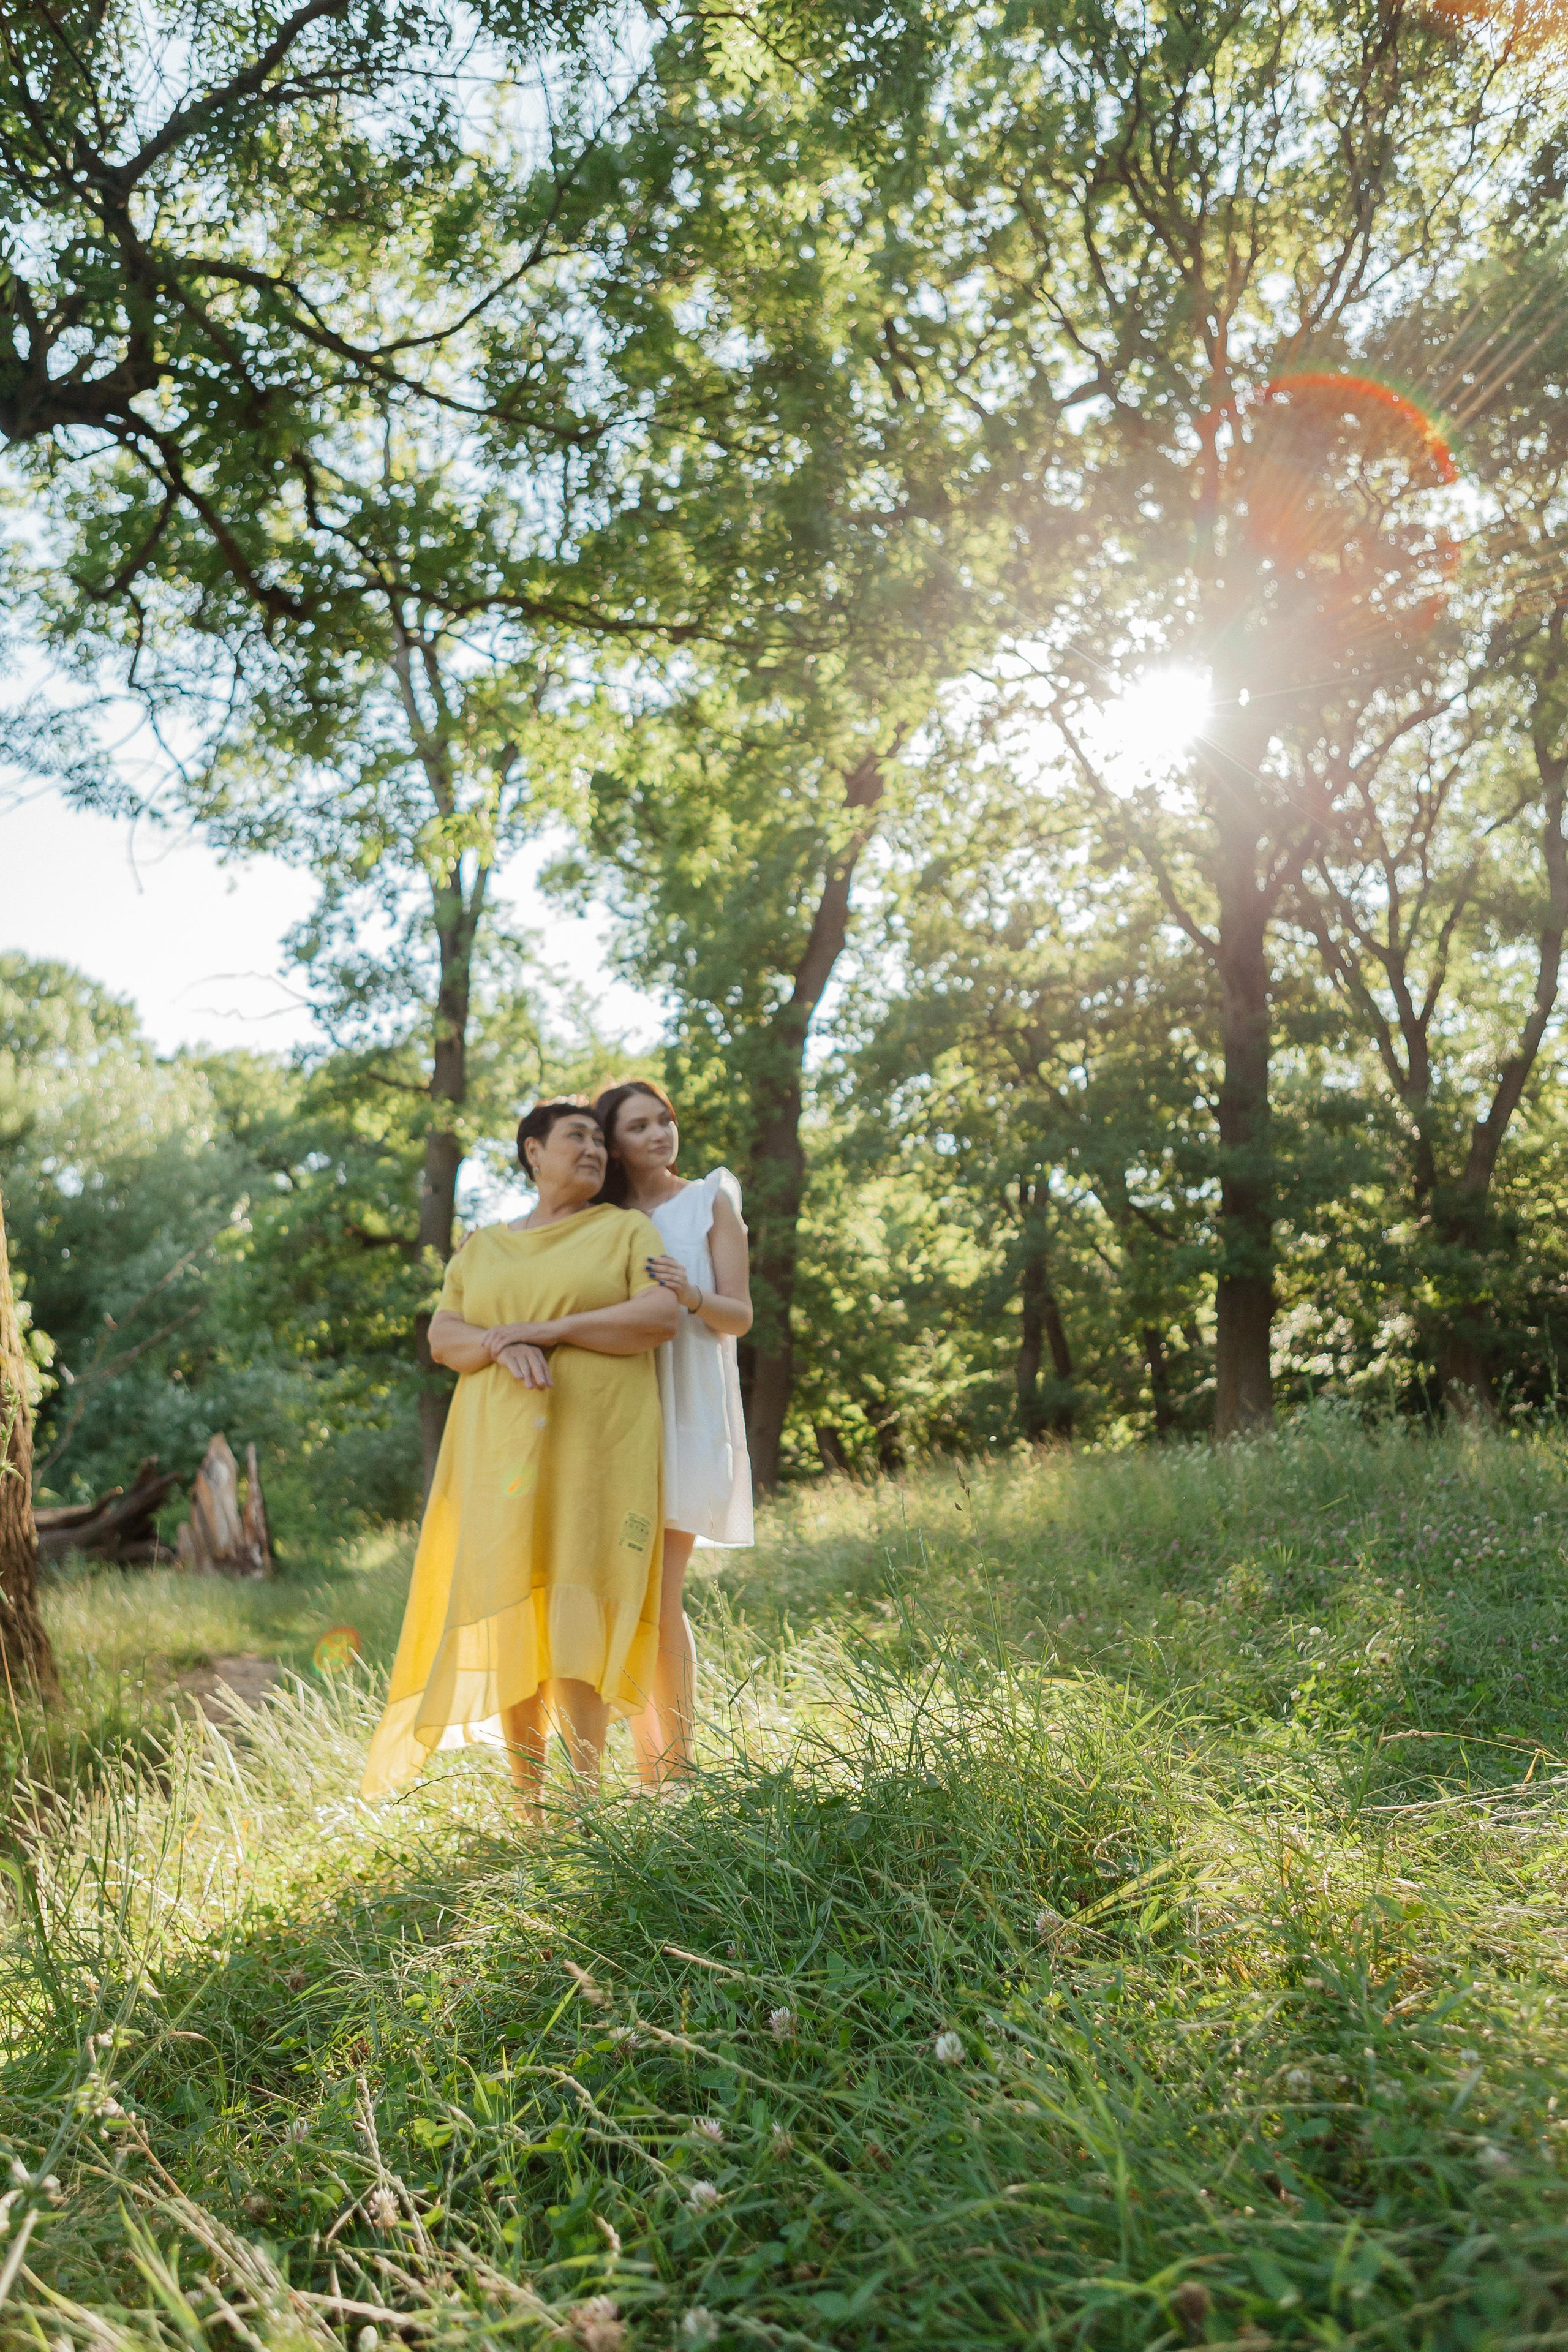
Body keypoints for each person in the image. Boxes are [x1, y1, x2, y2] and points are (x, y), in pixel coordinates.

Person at [361, 1101, 677, 1817]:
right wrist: (504, 1342)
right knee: (511, 1611)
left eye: (601, 1139)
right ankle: (532, 1807)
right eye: (578, 1137)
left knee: (577, 1611)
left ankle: (584, 1802)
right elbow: (446, 1338)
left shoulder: (626, 1230)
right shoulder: (483, 1248)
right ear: (533, 1152)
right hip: (498, 1458)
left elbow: (657, 1318)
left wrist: (545, 1329)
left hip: (595, 1454)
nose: (595, 1149)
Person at [593, 1079, 753, 1787]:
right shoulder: (599, 1219)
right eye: (639, 1126)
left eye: (664, 1121)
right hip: (619, 1409)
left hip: (687, 1406)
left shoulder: (709, 1199)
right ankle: (650, 1768)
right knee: (626, 1593)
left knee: (660, 1593)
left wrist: (691, 1295)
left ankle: (677, 1772)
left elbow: (739, 1315)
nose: (660, 1134)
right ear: (613, 1143)